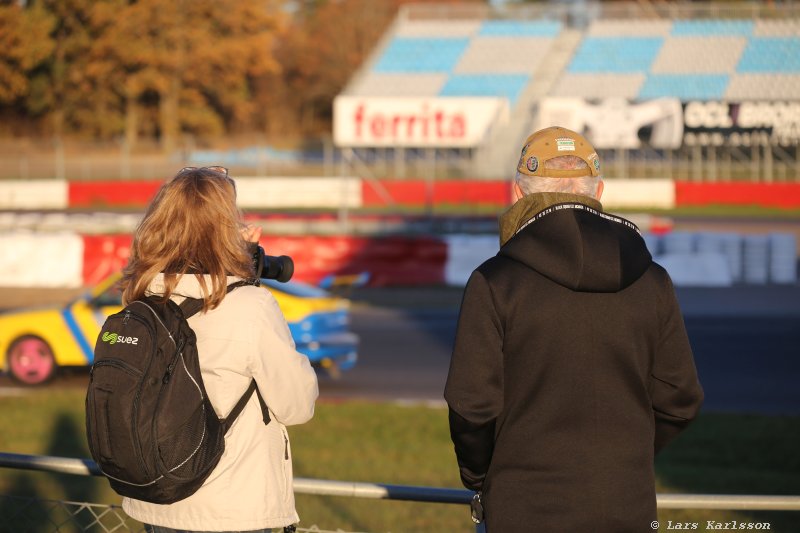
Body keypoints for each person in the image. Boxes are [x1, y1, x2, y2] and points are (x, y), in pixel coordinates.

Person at [444, 127, 703, 532]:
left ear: (518, 193)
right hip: (625, 501)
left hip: (521, 505)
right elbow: (680, 399)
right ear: (598, 191)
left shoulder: (495, 281)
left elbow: (471, 406)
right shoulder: (653, 280)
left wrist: (481, 477)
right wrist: (625, 456)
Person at [119, 166, 319, 533]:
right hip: (229, 509)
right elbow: (297, 405)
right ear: (225, 229)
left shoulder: (142, 293)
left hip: (157, 500)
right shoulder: (250, 307)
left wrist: (231, 263)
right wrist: (242, 271)